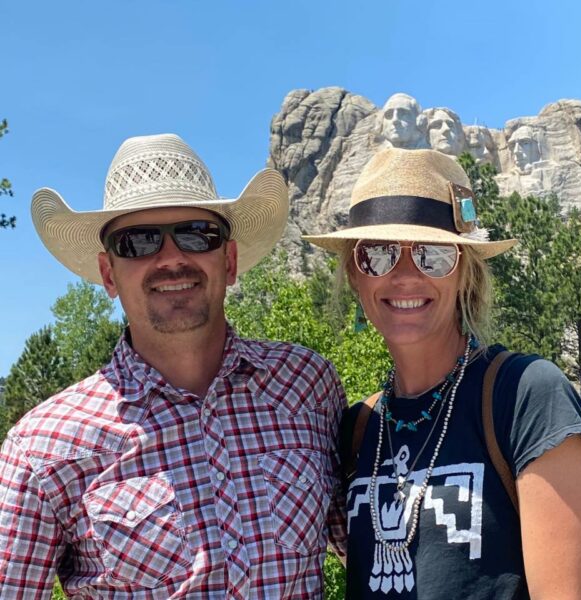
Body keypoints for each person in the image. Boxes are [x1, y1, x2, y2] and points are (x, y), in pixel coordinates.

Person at [0, 133, 347, 598]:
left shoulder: (308, 386)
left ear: (230, 259)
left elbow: (378, 556)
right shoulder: (43, 448)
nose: (171, 259)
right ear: (108, 274)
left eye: (195, 234)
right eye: (137, 242)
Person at [304, 148, 581, 599]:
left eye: (433, 255)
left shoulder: (526, 396)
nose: (404, 274)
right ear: (354, 274)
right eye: (377, 255)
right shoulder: (358, 429)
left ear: (465, 273)